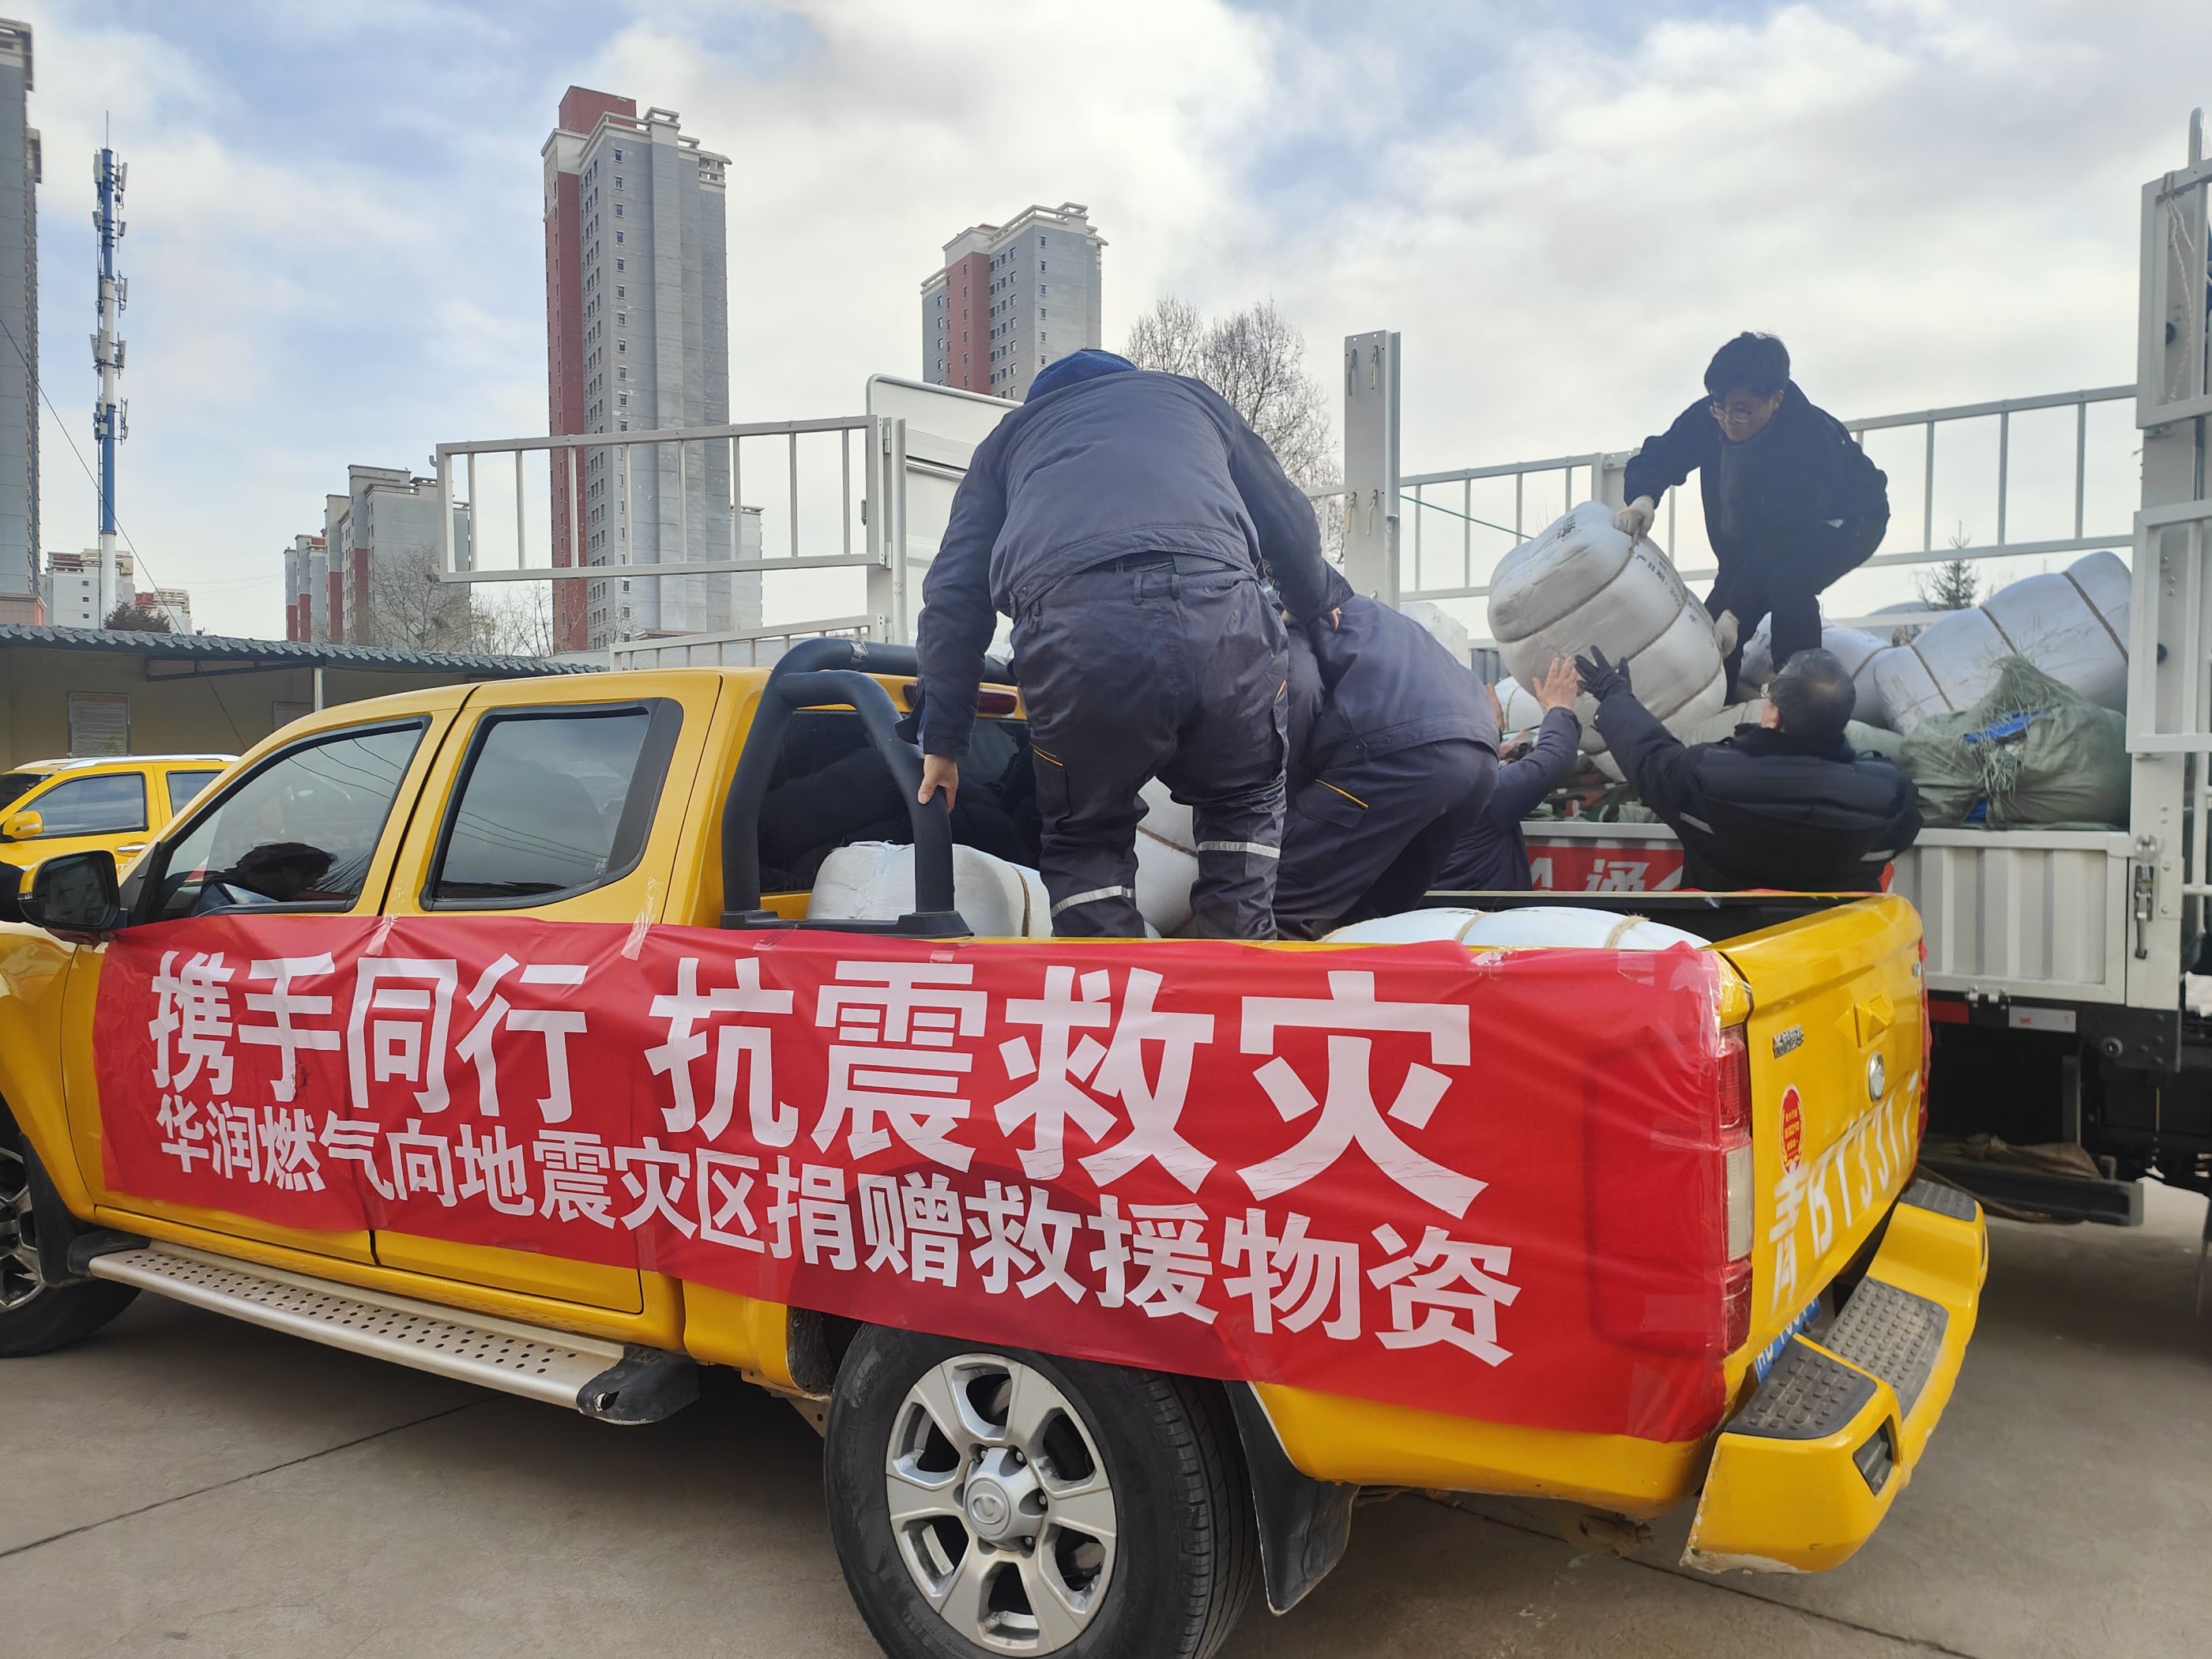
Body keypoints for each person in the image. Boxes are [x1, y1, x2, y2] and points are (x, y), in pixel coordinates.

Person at [914, 349, 1333, 938]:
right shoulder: (1191, 401)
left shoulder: (1009, 441)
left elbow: (955, 597)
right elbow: (1288, 520)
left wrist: (943, 741)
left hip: (1077, 639)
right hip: (1225, 623)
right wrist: (1314, 600)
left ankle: (1111, 987)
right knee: (1242, 812)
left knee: (1086, 838)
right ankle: (1235, 979)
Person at [1616, 333, 1889, 694]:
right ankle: (1717, 701)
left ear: (1776, 399)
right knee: (1709, 629)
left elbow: (1784, 541)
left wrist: (1737, 613)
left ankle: (1800, 697)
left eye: (1742, 410)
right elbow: (1662, 454)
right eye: (1721, 406)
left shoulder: (1810, 444)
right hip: (1755, 539)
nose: (1729, 420)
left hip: (1848, 520)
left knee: (1788, 581)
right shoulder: (1711, 416)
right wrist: (1643, 498)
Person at [1273, 566, 1499, 939]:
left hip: (1397, 754)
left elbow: (1298, 690)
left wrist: (1281, 796)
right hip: (1479, 756)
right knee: (1371, 920)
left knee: (1276, 898)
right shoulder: (1373, 615)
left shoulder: (1281, 610)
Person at [1575, 645, 1920, 891]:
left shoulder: (1706, 776)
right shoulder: (1890, 796)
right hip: (1836, 960)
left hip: (1729, 956)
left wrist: (1614, 695)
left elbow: (1651, 757)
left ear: (1773, 715)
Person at [1433, 658, 1583, 890]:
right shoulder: (1479, 796)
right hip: (1484, 911)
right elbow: (1553, 759)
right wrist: (1558, 707)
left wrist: (1488, 731)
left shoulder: (1407, 785)